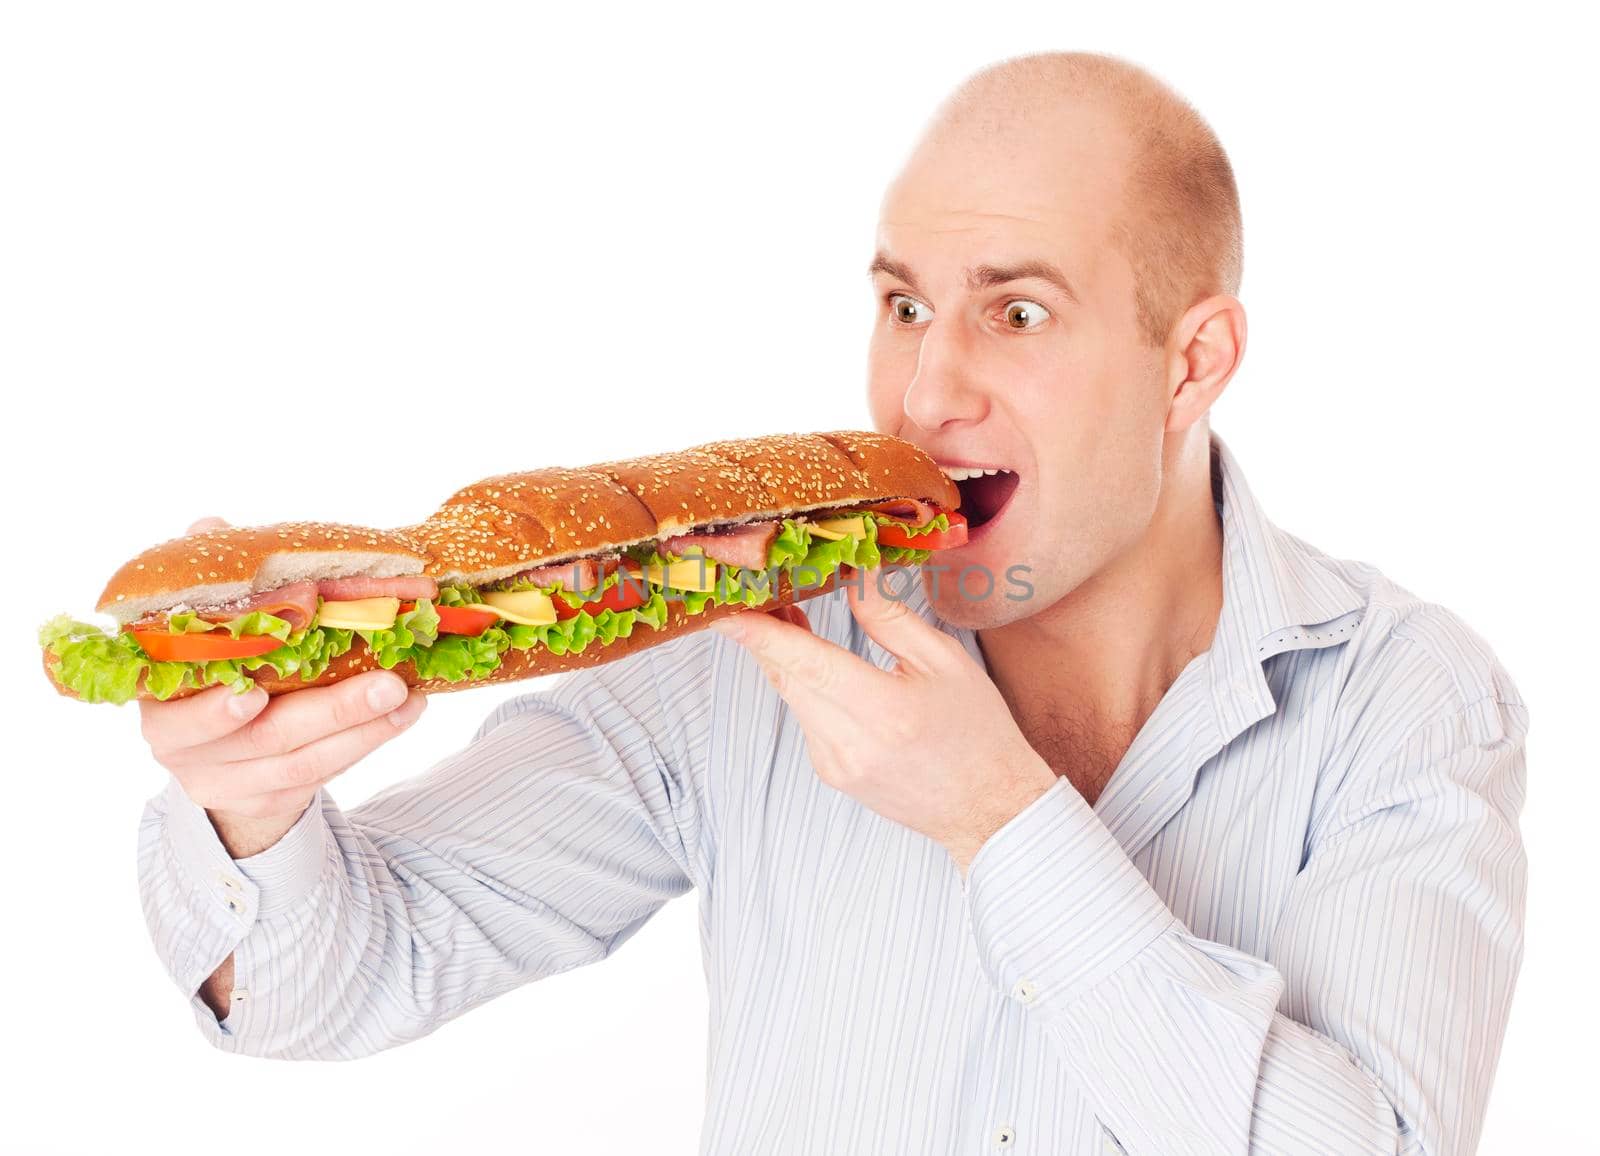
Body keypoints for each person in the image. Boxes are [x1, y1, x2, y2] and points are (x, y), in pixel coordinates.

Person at [136, 52, 1527, 1154]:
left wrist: (1003, 822)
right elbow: (331, 982)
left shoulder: (1400, 697)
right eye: (904, 305)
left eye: (1018, 312)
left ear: (1193, 359)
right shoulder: (750, 642)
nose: (927, 393)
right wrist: (249, 810)